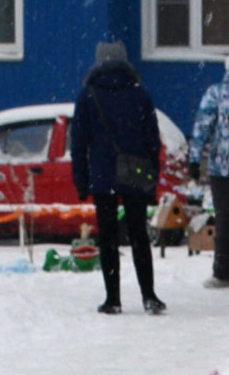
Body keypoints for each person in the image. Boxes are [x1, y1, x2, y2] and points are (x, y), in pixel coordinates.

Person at [68, 40, 166, 316]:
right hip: (135, 173)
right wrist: (151, 179)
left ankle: (113, 299)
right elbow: (153, 141)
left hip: (102, 175)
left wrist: (80, 181)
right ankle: (149, 295)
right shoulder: (140, 94)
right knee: (139, 236)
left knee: (108, 238)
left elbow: (78, 145)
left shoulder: (88, 96)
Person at [188, 48, 229, 289]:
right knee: (225, 225)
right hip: (221, 170)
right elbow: (202, 127)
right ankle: (222, 272)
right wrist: (195, 159)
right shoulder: (216, 94)